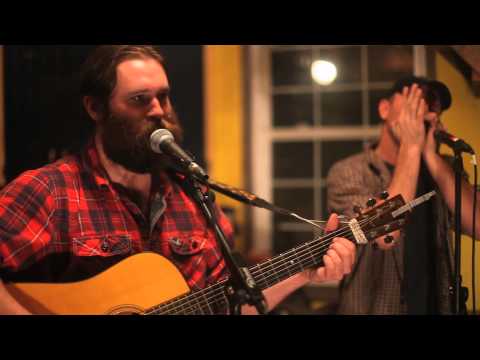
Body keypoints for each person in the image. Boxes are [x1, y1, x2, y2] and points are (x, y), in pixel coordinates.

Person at [0, 45, 356, 315]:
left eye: (163, 96)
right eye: (140, 100)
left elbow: (229, 304)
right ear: (96, 109)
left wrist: (304, 274)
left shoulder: (193, 195)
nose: (158, 110)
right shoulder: (52, 191)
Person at [327, 76, 479, 315]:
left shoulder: (444, 170)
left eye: (431, 107)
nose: (423, 112)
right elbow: (385, 231)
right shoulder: (350, 171)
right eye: (414, 102)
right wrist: (411, 146)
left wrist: (431, 156)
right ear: (385, 109)